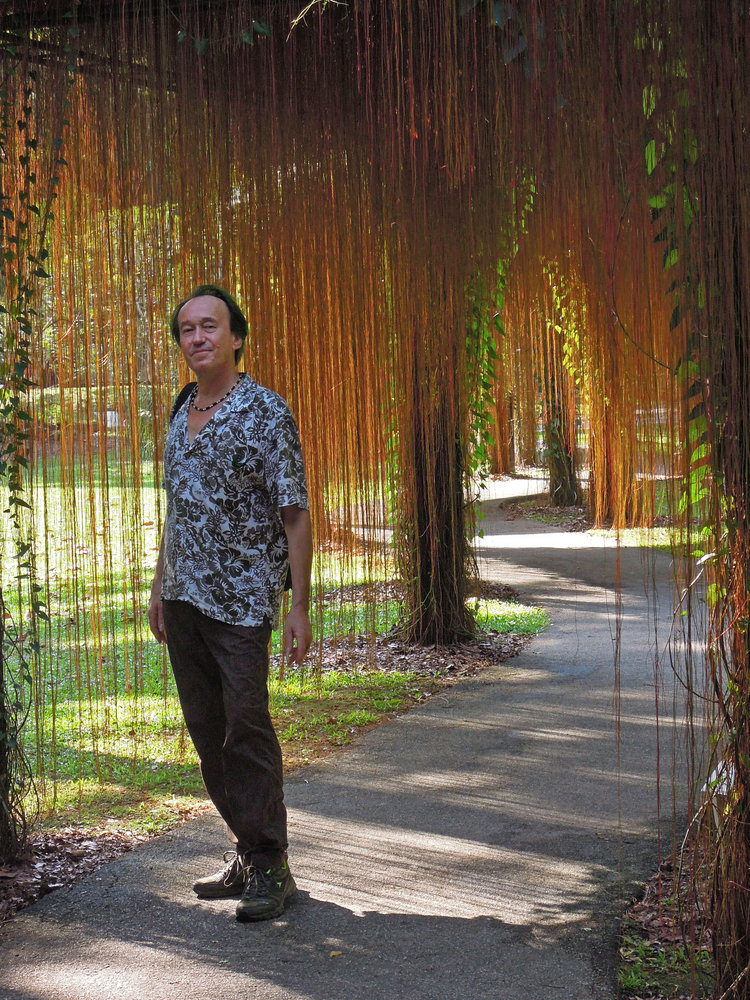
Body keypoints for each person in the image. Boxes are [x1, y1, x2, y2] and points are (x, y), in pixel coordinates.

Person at [148, 284, 312, 922]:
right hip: (184, 598)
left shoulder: (266, 413)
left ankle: (272, 864)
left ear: (236, 337)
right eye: (187, 329)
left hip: (241, 603)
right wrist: (159, 586)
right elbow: (177, 510)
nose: (198, 337)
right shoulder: (180, 408)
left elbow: (295, 516)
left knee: (246, 727)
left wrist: (299, 605)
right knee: (208, 731)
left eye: (209, 326)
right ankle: (246, 850)